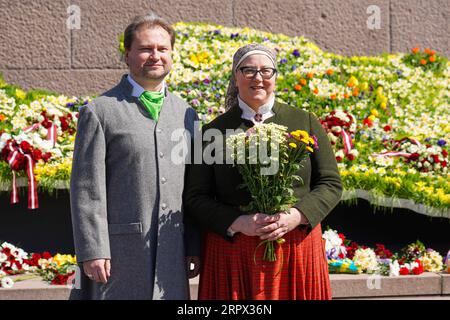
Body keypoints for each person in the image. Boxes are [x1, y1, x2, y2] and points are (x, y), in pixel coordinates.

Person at [184, 44, 342, 300]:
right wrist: (239, 222)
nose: (258, 78)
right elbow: (195, 197)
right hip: (235, 250)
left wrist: (296, 215)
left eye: (266, 71)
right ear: (235, 77)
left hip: (295, 244)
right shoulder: (213, 132)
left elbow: (330, 183)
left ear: (275, 77)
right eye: (248, 70)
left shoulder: (304, 121)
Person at [70, 14, 200, 300]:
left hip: (172, 256)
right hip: (118, 257)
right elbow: (87, 189)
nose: (155, 56)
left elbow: (194, 189)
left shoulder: (187, 114)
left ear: (172, 55)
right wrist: (93, 249)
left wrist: (193, 245)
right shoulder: (100, 111)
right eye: (146, 49)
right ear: (127, 54)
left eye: (162, 49)